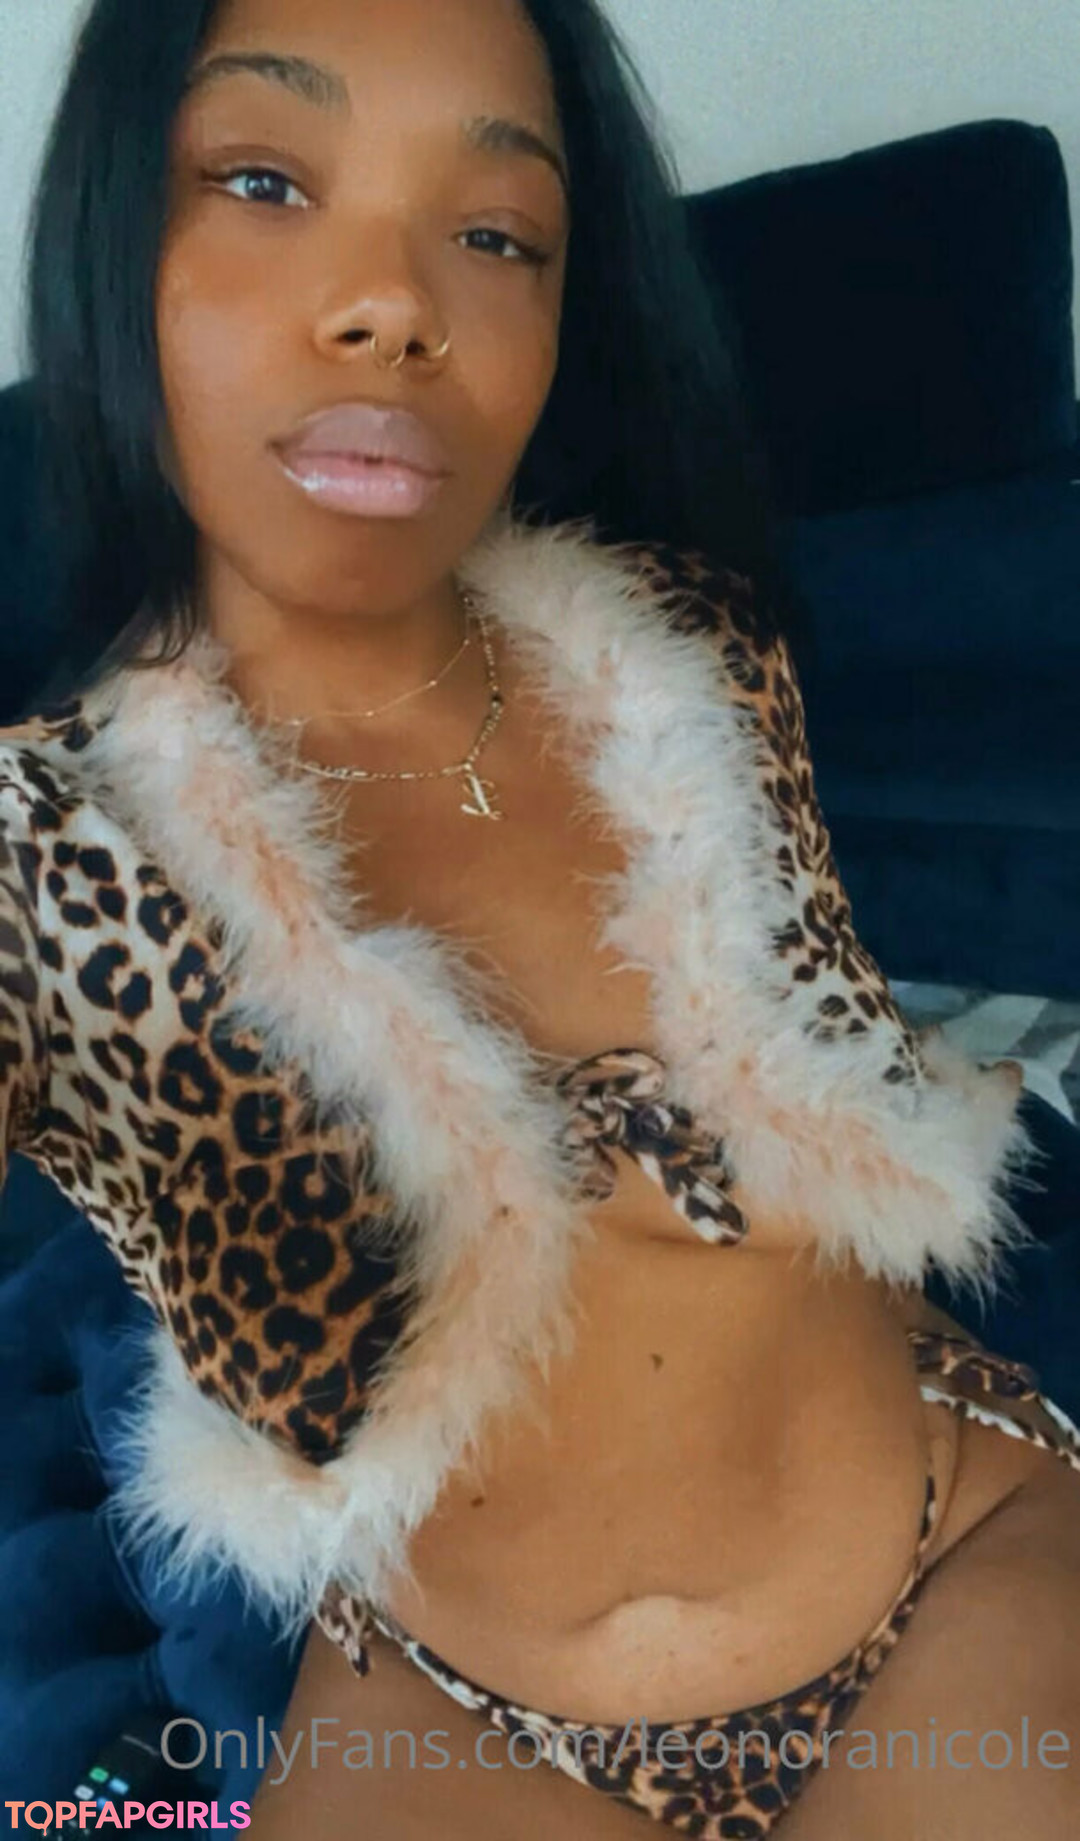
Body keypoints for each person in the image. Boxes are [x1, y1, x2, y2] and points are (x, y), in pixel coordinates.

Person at [3, 0, 1078, 1836]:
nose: (393, 303)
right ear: (115, 234)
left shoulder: (688, 655)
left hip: (948, 1553)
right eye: (264, 180)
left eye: (497, 233)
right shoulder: (46, 850)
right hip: (454, 1709)